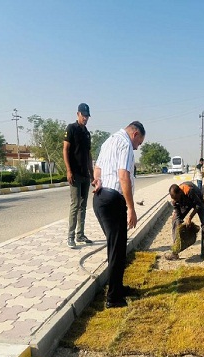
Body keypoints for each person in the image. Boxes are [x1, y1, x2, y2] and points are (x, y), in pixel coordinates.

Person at [92, 121, 146, 308]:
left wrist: (97, 180)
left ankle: (118, 287)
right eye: (139, 142)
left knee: (116, 248)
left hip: (100, 198)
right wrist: (131, 208)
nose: (137, 147)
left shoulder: (108, 142)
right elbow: (123, 176)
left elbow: (97, 168)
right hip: (113, 200)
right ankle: (113, 298)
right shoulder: (125, 145)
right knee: (116, 249)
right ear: (135, 133)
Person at [63, 103, 94, 249]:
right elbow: (65, 150)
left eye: (87, 116)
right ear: (78, 114)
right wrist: (68, 170)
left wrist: (92, 174)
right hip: (74, 174)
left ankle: (80, 234)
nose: (85, 118)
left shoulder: (87, 133)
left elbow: (88, 154)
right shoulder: (71, 129)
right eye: (83, 115)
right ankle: (70, 236)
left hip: (85, 175)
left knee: (83, 206)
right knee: (75, 205)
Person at [168, 181, 204, 262]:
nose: (175, 200)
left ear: (180, 192)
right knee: (175, 220)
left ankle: (203, 253)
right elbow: (177, 209)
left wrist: (190, 217)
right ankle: (175, 252)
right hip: (186, 202)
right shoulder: (175, 198)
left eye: (176, 198)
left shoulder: (189, 190)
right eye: (174, 199)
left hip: (198, 202)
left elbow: (198, 206)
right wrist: (179, 223)